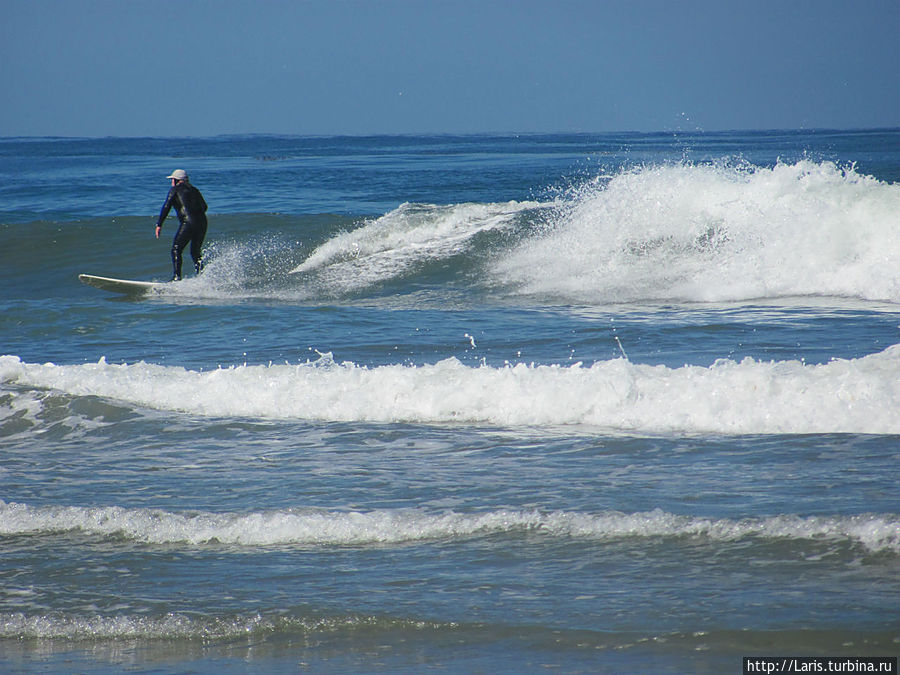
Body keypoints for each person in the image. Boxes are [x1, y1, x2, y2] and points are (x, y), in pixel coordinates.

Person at [155, 169, 208, 281]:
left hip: (188, 222)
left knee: (176, 249)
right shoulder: (194, 190)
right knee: (195, 252)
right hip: (202, 222)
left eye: (172, 180)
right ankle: (202, 277)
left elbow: (166, 206)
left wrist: (159, 224)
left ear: (176, 180)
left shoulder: (174, 190)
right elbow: (204, 207)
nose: (171, 182)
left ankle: (176, 277)